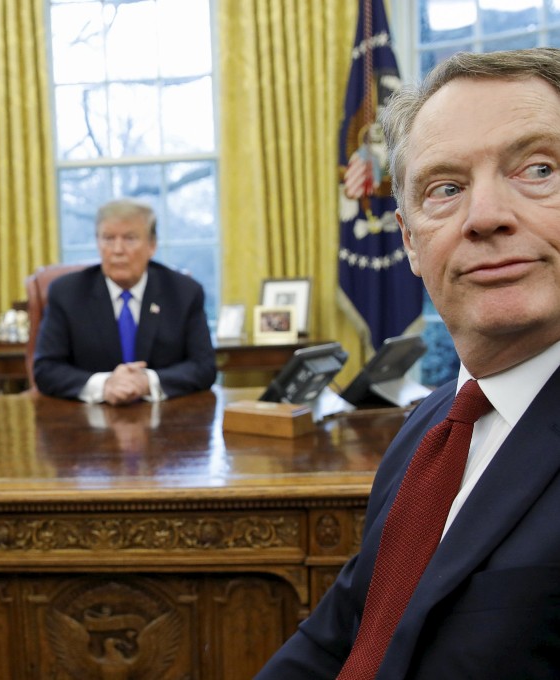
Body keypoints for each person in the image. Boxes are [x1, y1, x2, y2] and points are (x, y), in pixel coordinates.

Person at [257, 47, 560, 679]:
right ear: (409, 241)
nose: (485, 217)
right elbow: (335, 637)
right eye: (445, 189)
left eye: (537, 169)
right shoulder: (428, 431)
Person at [32, 198, 216, 404]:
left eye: (129, 239)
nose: (117, 250)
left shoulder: (184, 293)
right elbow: (45, 369)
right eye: (108, 239)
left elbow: (204, 367)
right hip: (86, 422)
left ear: (152, 245)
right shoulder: (67, 293)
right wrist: (105, 385)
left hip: (167, 419)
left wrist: (147, 382)